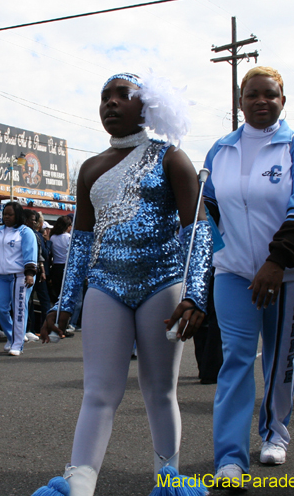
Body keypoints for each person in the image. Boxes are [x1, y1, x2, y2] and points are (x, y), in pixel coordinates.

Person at [32, 72, 213, 496]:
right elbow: (80, 241)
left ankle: (168, 482)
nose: (110, 103)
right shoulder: (90, 168)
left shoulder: (171, 158)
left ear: (146, 106)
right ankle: (78, 485)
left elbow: (197, 230)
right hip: (105, 287)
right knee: (98, 391)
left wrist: (195, 293)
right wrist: (64, 302)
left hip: (161, 284)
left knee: (159, 391)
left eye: (122, 95)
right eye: (104, 97)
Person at [203, 66, 294, 483]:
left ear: (283, 100)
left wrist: (276, 262)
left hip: (286, 275)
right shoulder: (220, 149)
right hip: (233, 274)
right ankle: (230, 459)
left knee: (280, 360)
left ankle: (276, 434)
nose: (261, 101)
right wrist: (220, 253)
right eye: (252, 95)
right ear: (240, 101)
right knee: (235, 360)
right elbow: (209, 211)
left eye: (270, 94)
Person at [0, 201, 37, 356]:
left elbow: (30, 254)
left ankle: (17, 345)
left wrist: (30, 274)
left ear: (17, 215)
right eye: (4, 214)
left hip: (21, 276)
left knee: (19, 310)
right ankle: (13, 337)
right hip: (3, 277)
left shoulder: (25, 232)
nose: (6, 217)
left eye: (10, 214)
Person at [48, 216, 72, 304]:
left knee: (58, 294)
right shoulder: (69, 237)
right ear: (67, 226)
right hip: (66, 267)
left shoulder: (53, 237)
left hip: (56, 267)